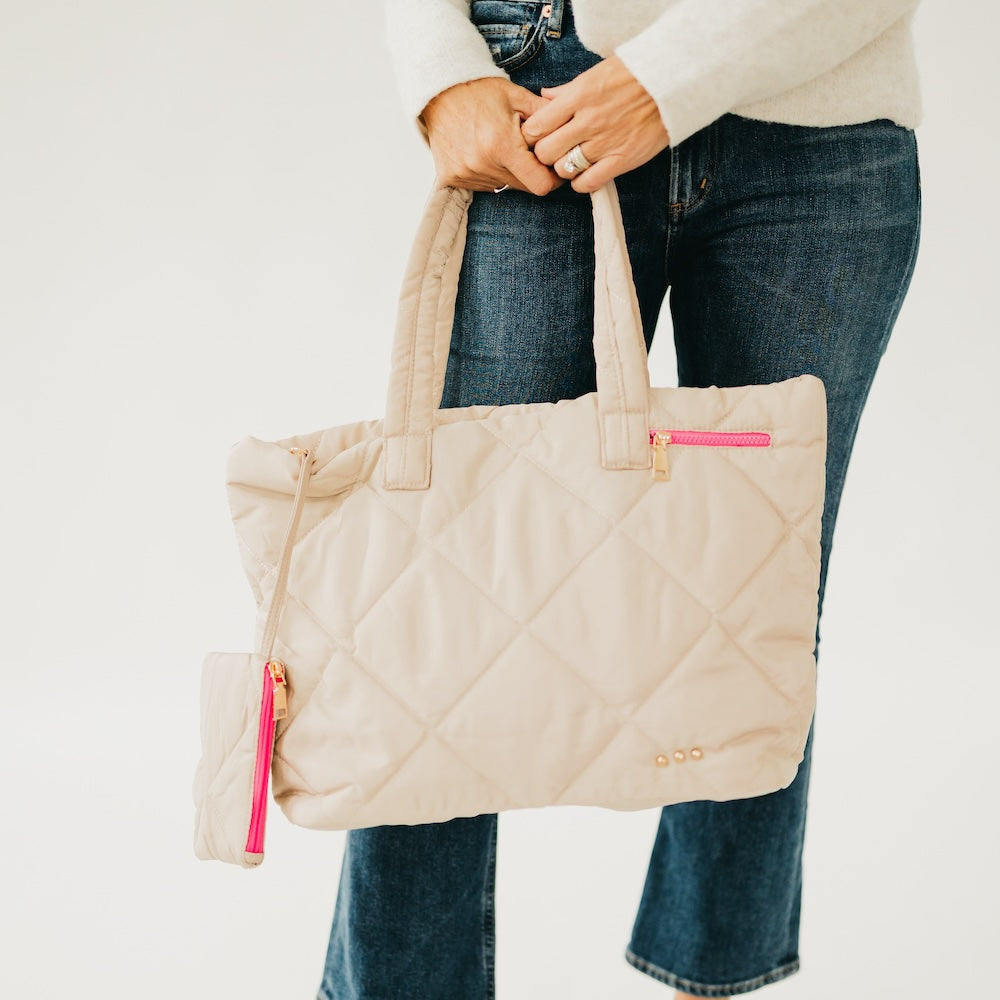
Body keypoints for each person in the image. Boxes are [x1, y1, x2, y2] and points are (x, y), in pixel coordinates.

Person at [317, 1, 923, 997]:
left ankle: (712, 976)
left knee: (755, 613)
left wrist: (668, 79)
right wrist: (436, 68)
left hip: (815, 115)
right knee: (446, 604)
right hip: (540, 98)